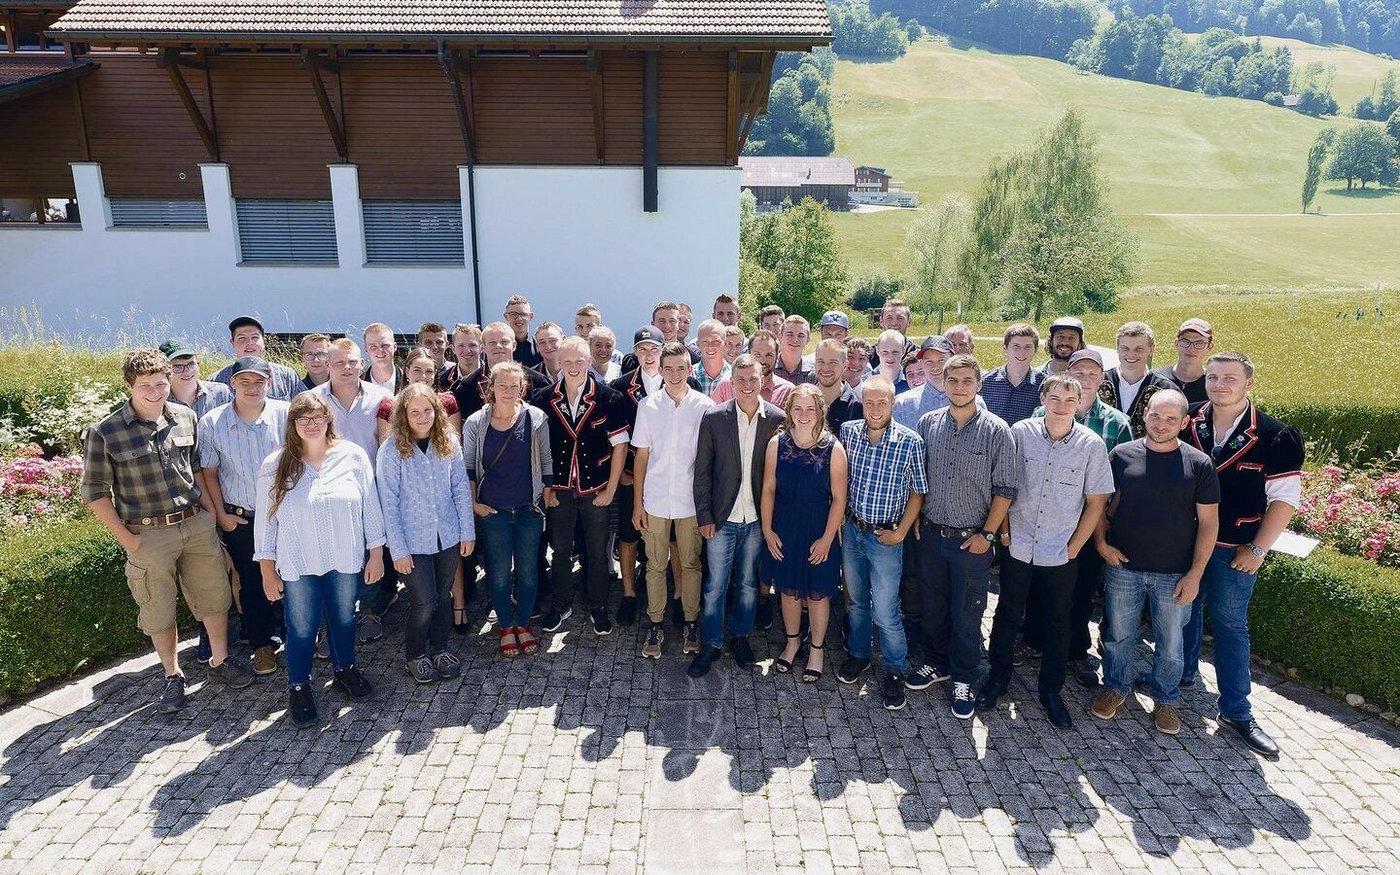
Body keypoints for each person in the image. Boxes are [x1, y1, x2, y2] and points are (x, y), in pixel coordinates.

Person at [81, 348, 255, 714]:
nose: (156, 392)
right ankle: (172, 675)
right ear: (129, 385)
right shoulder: (106, 432)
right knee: (158, 608)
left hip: (195, 523)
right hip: (148, 535)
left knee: (214, 595)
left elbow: (197, 471)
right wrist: (128, 540)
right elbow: (95, 493)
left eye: (161, 384)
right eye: (146, 386)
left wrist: (212, 516)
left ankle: (220, 662)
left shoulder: (186, 417)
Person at [1179, 351, 1304, 756]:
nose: (1219, 385)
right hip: (1183, 543)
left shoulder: (1276, 435)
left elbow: (1284, 501)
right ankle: (1181, 677)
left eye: (1229, 378)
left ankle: (1236, 710)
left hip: (1234, 550)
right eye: (1213, 377)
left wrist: (1258, 548)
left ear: (1249, 383)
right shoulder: (1188, 419)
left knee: (1231, 626)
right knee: (1185, 612)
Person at [979, 374, 1113, 728]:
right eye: (1055, 398)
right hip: (1018, 544)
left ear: (1080, 403)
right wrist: (1005, 534)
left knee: (1059, 621)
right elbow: (1003, 486)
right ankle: (997, 678)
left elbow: (1096, 503)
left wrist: (1073, 548)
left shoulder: (1091, 445)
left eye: (1070, 401)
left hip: (1061, 551)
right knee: (1007, 614)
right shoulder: (1020, 433)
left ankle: (1050, 690)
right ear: (1043, 397)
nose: (1061, 406)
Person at [1092, 389, 1219, 736]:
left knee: (1171, 643)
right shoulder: (1121, 455)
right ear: (1144, 415)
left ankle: (1166, 698)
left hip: (1175, 573)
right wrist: (1102, 544)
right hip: (1124, 568)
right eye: (1155, 416)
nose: (1161, 424)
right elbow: (1099, 507)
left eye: (1170, 419)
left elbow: (1209, 523)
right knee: (1119, 635)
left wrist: (1195, 574)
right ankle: (1116, 687)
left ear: (1184, 422)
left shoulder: (1198, 464)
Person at [255, 391, 385, 728]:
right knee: (301, 628)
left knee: (344, 618)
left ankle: (345, 670)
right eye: (303, 419)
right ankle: (299, 686)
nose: (311, 424)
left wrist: (376, 553)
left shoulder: (353, 457)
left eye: (317, 417)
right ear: (293, 425)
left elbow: (370, 506)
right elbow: (266, 524)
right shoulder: (276, 465)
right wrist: (268, 571)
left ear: (328, 419)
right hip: (298, 563)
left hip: (345, 557)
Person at [913, 354, 1016, 719]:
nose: (958, 387)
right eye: (952, 380)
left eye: (966, 381)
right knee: (933, 607)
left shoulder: (997, 430)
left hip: (971, 540)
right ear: (944, 382)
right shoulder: (928, 424)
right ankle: (936, 663)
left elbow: (1005, 490)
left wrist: (987, 535)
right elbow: (918, 479)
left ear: (979, 385)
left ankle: (964, 677)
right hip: (931, 535)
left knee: (968, 614)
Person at [689, 354, 784, 677]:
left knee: (747, 583)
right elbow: (702, 473)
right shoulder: (714, 418)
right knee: (715, 584)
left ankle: (741, 637)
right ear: (732, 382)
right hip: (722, 518)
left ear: (762, 381)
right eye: (740, 379)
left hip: (757, 519)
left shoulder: (776, 419)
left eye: (753, 379)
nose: (746, 385)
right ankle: (711, 643)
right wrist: (704, 516)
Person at [836, 377, 926, 711]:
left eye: (882, 403)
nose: (875, 409)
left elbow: (918, 490)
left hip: (886, 536)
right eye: (869, 402)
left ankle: (893, 668)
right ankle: (859, 654)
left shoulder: (910, 441)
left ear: (893, 403)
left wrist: (901, 531)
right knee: (857, 601)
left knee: (887, 610)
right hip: (854, 530)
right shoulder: (848, 433)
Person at [197, 356, 291, 678]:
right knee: (251, 584)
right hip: (242, 519)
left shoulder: (286, 414)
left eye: (259, 381)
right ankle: (261, 645)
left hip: (286, 517)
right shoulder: (212, 422)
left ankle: (300, 636)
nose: (252, 388)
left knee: (294, 577)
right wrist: (221, 515)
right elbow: (207, 473)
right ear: (232, 384)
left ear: (270, 383)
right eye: (245, 381)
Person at [376, 384, 476, 683]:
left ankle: (440, 648)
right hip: (411, 541)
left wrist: (467, 532)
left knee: (443, 597)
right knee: (424, 601)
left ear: (437, 412)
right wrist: (398, 551)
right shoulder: (391, 449)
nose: (422, 417)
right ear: (404, 415)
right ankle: (416, 655)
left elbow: (460, 489)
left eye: (428, 410)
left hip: (447, 535)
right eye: (415, 411)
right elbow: (388, 504)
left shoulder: (448, 441)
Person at [534, 337, 631, 636]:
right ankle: (561, 604)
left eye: (579, 361)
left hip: (596, 488)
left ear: (589, 361)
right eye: (567, 362)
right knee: (560, 549)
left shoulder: (609, 397)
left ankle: (598, 604)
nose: (573, 367)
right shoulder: (543, 398)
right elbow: (538, 449)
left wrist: (611, 490)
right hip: (560, 489)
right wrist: (546, 489)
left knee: (597, 551)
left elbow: (620, 447)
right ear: (559, 365)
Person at [462, 362, 552, 659]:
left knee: (527, 573)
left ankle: (523, 624)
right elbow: (469, 468)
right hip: (493, 512)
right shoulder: (476, 422)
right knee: (499, 574)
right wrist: (475, 504)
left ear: (523, 387)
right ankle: (504, 626)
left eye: (516, 386)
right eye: (503, 386)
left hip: (527, 509)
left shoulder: (536, 417)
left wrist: (545, 496)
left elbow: (547, 460)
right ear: (492, 387)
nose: (510, 391)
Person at [631, 342, 715, 658]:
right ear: (661, 370)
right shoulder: (648, 406)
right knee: (655, 564)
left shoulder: (705, 406)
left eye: (681, 368)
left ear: (689, 369)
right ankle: (655, 624)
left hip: (690, 503)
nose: (676, 374)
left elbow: (709, 461)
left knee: (691, 564)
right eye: (669, 369)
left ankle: (691, 622)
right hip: (654, 500)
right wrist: (638, 503)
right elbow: (641, 456)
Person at [763, 385, 848, 683]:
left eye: (810, 409)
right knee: (786, 589)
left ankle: (816, 649)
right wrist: (767, 530)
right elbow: (769, 489)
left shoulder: (833, 448)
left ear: (820, 412)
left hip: (817, 527)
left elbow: (839, 499)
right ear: (789, 411)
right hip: (784, 526)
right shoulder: (777, 443)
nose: (803, 415)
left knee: (816, 592)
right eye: (797, 408)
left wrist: (826, 539)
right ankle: (792, 641)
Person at [316, 339, 394, 640]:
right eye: (339, 363)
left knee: (372, 551)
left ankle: (372, 611)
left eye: (352, 362)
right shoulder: (313, 400)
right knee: (332, 555)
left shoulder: (381, 397)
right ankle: (334, 620)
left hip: (371, 489)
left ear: (362, 364)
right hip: (329, 492)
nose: (347, 368)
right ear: (327, 365)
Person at [609, 326, 675, 626]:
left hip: (669, 477)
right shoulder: (619, 388)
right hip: (632, 474)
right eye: (642, 350)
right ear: (635, 353)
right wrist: (622, 473)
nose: (649, 356)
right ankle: (629, 594)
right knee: (628, 534)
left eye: (654, 350)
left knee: (672, 535)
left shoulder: (677, 382)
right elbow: (614, 437)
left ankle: (674, 595)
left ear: (663, 351)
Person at [450, 322, 552, 421]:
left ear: (514, 345)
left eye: (504, 342)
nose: (498, 346)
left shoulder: (538, 382)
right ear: (483, 348)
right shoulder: (465, 386)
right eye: (492, 342)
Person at [376, 349, 462, 451]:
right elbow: (386, 449)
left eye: (429, 371)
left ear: (435, 373)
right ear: (407, 371)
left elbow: (454, 447)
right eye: (417, 370)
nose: (423, 376)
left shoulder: (447, 403)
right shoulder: (389, 406)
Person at [1099, 321, 1172, 438]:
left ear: (1152, 349)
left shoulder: (1165, 390)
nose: (1131, 355)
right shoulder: (1099, 382)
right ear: (1117, 348)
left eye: (1139, 349)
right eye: (1125, 348)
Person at [210, 316, 304, 400]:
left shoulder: (287, 376)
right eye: (242, 338)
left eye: (254, 337)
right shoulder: (216, 380)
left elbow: (305, 408)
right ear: (232, 343)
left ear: (264, 341)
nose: (249, 343)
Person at [979, 323, 1044, 425]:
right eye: (1016, 346)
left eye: (1028, 347)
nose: (1022, 352)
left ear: (1035, 350)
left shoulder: (1044, 385)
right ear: (1005, 348)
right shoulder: (985, 382)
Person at [712, 329, 794, 407]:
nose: (763, 360)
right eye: (757, 354)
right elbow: (712, 417)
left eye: (769, 355)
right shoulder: (727, 385)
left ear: (777, 356)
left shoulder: (787, 391)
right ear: (748, 353)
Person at [161, 339, 232, 419]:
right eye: (178, 367)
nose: (187, 371)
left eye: (191, 364)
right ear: (165, 370)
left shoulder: (221, 393)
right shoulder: (159, 400)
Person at [1153, 318, 1214, 405]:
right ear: (1176, 343)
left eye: (1199, 343)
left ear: (1210, 346)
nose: (1191, 348)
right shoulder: (1156, 379)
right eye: (1185, 341)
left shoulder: (1213, 385)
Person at [813, 339, 862, 433]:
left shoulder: (857, 407)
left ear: (845, 366)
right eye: (820, 362)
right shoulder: (803, 402)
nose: (826, 368)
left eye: (833, 363)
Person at [867, 299, 915, 368]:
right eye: (889, 318)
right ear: (881, 321)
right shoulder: (869, 357)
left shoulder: (918, 355)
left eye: (900, 318)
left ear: (909, 322)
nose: (894, 323)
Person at [691, 318, 731, 397]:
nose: (710, 346)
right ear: (698, 344)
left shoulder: (734, 375)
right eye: (705, 342)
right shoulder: (689, 375)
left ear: (725, 343)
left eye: (716, 341)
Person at [363, 322, 407, 394]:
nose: (380, 351)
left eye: (385, 345)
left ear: (395, 346)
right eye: (373, 347)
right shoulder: (357, 386)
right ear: (366, 349)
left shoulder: (409, 383)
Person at [437, 323, 482, 394]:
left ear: (481, 348)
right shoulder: (443, 381)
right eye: (461, 346)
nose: (467, 351)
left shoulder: (491, 376)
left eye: (472, 345)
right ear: (453, 349)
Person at [773, 316, 816, 385]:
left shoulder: (813, 374)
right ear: (780, 336)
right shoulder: (769, 369)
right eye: (790, 334)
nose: (795, 340)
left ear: (808, 340)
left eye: (801, 335)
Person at [504, 294, 542, 368]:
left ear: (530, 316)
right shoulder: (499, 348)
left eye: (523, 314)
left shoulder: (540, 347)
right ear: (506, 316)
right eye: (513, 314)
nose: (519, 318)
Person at [870, 329, 909, 395]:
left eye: (895, 352)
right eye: (885, 352)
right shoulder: (865, 381)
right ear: (877, 350)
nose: (890, 357)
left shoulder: (911, 382)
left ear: (903, 351)